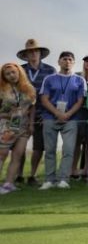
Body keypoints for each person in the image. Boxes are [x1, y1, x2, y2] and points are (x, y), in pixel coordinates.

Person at [39, 51, 87, 189]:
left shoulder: (79, 80)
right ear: (59, 62)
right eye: (64, 59)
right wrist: (57, 113)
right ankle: (49, 180)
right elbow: (44, 99)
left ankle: (64, 180)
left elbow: (80, 101)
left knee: (68, 149)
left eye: (70, 59)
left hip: (71, 119)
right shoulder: (49, 79)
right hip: (50, 117)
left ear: (73, 62)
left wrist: (67, 114)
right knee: (49, 150)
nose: (67, 61)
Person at [17, 39, 55, 186]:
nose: (33, 54)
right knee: (19, 147)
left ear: (40, 53)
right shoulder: (19, 70)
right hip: (21, 114)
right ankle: (18, 175)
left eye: (35, 51)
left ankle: (32, 175)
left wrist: (47, 114)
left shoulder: (50, 70)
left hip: (42, 115)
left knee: (38, 147)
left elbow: (54, 93)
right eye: (30, 52)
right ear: (25, 55)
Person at [0, 64, 36, 194]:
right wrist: (8, 114)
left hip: (23, 126)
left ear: (19, 72)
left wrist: (31, 124)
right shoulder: (2, 89)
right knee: (2, 154)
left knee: (18, 155)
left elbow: (32, 108)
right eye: (7, 74)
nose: (11, 75)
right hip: (6, 125)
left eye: (13, 72)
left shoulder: (29, 88)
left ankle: (8, 184)